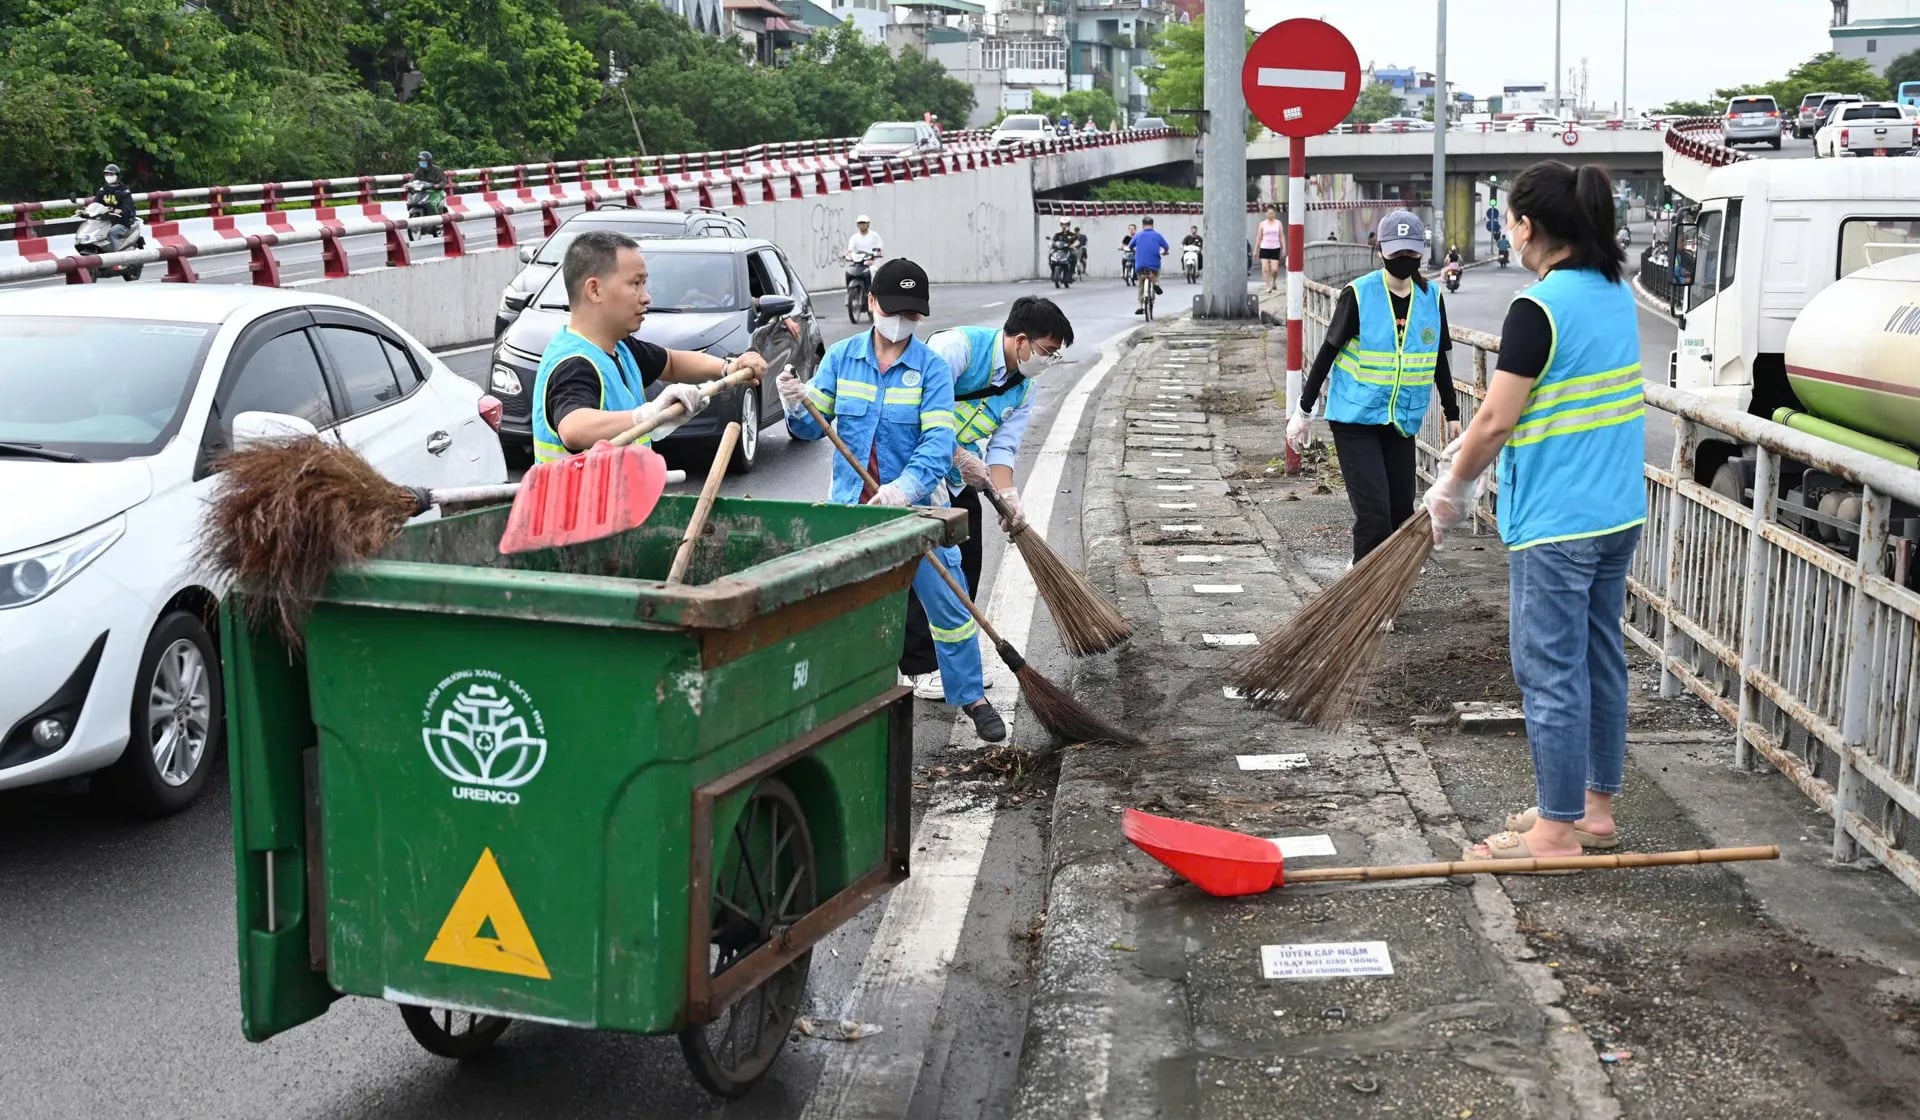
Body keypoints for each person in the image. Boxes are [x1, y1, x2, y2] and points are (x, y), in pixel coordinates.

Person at [1424, 161, 1645, 867]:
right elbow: (1545, 400)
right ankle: (1592, 811)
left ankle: (1553, 834)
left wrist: (1452, 486)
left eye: (1515, 223)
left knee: (1550, 670)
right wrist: (1472, 445)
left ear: (1526, 227)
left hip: (1557, 520)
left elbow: (1494, 420)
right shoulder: (1614, 291)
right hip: (1616, 512)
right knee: (1600, 660)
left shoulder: (1538, 307)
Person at [774, 260, 1006, 744]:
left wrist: (905, 488)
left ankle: (971, 696)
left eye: (912, 315)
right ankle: (841, 700)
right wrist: (796, 403)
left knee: (950, 605)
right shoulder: (841, 358)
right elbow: (809, 430)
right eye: (894, 310)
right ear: (873, 304)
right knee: (843, 608)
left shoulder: (932, 369)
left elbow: (939, 442)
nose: (902, 323)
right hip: (852, 512)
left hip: (916, 509)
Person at [900, 298, 1075, 701]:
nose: (1048, 360)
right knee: (924, 564)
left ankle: (954, 662)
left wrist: (1009, 496)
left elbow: (1002, 449)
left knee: (969, 561)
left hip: (960, 477)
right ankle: (918, 667)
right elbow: (918, 410)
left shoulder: (1025, 385)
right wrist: (958, 455)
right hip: (914, 470)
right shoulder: (958, 348)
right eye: (1047, 351)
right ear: (1020, 340)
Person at [1287, 209, 1462, 565]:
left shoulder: (1432, 299)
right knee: (1374, 515)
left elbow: (1438, 359)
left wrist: (1452, 413)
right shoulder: (1359, 295)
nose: (1403, 260)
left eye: (1410, 254)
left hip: (1399, 422)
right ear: (1380, 249)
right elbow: (1327, 353)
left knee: (1401, 514)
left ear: (1420, 253)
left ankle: (1384, 594)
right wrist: (1303, 412)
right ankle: (1360, 595)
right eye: (1396, 253)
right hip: (1355, 420)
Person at [531, 231, 766, 464]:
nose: (646, 297)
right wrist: (646, 415)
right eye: (635, 284)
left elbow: (671, 363)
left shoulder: (620, 348)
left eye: (645, 284)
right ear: (594, 290)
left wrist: (729, 367)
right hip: (580, 502)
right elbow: (574, 429)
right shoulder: (575, 363)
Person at [90, 164, 137, 252]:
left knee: (111, 233)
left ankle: (117, 256)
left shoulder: (124, 190)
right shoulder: (103, 190)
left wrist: (121, 210)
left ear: (117, 176)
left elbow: (128, 205)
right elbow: (96, 202)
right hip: (107, 220)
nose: (108, 177)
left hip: (122, 221)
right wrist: (86, 210)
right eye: (106, 175)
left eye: (111, 175)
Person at [1129, 216, 1170, 314]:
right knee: (1156, 273)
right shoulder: (1157, 235)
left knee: (1141, 284)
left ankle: (1140, 305)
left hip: (1140, 264)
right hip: (1154, 264)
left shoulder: (1138, 235)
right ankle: (1156, 283)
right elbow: (1166, 247)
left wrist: (1134, 250)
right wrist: (1165, 252)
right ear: (1153, 225)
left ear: (1142, 225)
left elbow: (1130, 246)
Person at [1256, 205, 1284, 292]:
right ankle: (1267, 286)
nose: (1270, 215)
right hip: (1264, 247)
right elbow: (1259, 237)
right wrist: (1255, 250)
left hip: (1275, 247)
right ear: (1266, 214)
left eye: (1272, 213)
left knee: (1274, 269)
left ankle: (1274, 281)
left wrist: (1284, 248)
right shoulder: (1262, 224)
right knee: (1265, 268)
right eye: (1268, 213)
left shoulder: (1278, 223)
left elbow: (1281, 236)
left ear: (1274, 213)